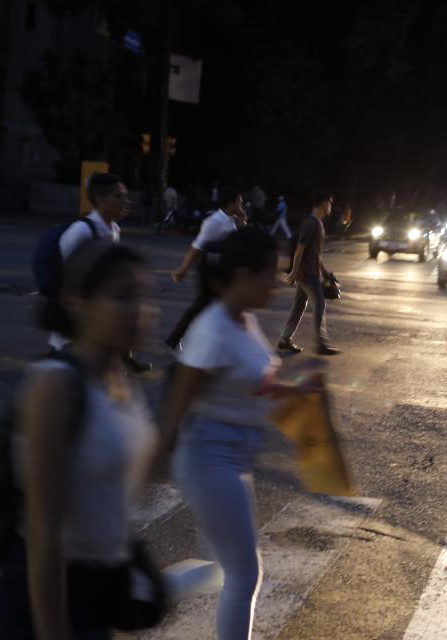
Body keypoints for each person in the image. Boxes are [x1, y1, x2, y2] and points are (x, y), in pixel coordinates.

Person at [159, 227, 324, 639]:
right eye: (269, 273)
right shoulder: (213, 330)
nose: (276, 283)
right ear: (243, 275)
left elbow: (256, 382)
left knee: (223, 571)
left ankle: (142, 591)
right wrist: (148, 466)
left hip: (232, 460)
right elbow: (175, 411)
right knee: (245, 574)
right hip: (208, 461)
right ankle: (138, 591)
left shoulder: (242, 320)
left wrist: (299, 389)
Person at [0, 241, 159, 639]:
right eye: (121, 296)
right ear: (76, 302)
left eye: (142, 296)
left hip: (100, 586)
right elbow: (42, 528)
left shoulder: (117, 378)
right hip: (50, 597)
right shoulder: (56, 384)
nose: (138, 310)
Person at [49, 173, 151, 374]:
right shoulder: (80, 232)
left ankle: (125, 359)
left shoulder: (113, 230)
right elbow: (66, 278)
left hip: (98, 324)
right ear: (101, 198)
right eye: (119, 196)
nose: (126, 201)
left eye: (125, 196)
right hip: (75, 330)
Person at [165, 187, 244, 350]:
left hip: (222, 268)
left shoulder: (230, 219)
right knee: (206, 305)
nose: (242, 204)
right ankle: (181, 338)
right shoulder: (215, 221)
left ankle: (177, 337)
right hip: (209, 269)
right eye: (240, 201)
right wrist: (183, 269)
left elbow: (239, 241)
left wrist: (242, 220)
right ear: (231, 203)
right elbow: (197, 246)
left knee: (208, 306)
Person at [278, 190, 339, 356]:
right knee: (319, 303)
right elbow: (300, 249)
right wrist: (294, 272)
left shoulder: (317, 223)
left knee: (299, 305)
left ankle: (285, 339)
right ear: (324, 204)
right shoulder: (311, 224)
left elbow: (315, 253)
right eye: (330, 203)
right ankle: (321, 343)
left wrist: (325, 273)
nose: (331, 207)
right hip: (306, 274)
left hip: (310, 272)